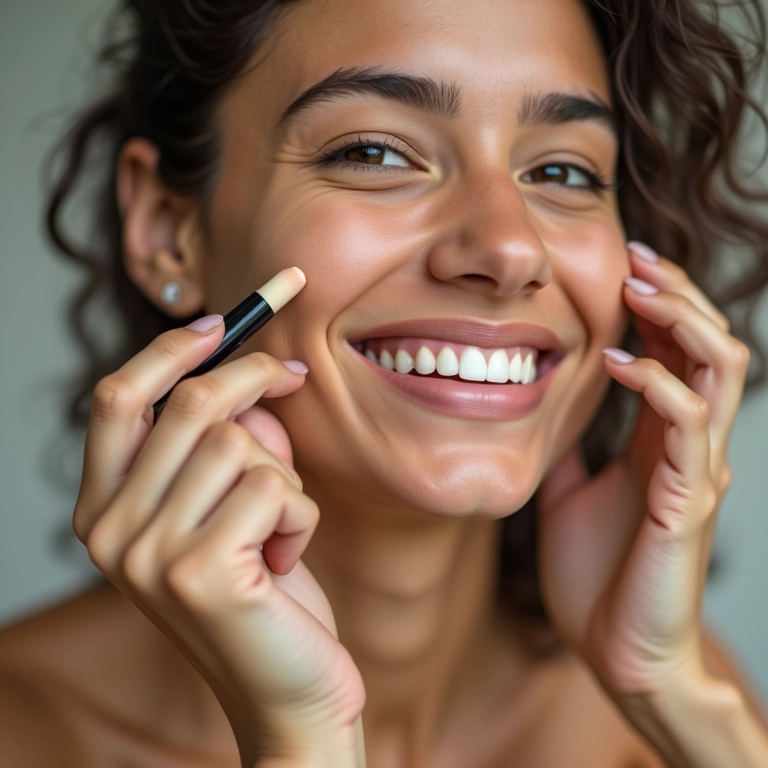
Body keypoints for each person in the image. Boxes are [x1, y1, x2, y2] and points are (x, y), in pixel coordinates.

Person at [2, 0, 768, 765]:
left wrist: (672, 693)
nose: (508, 248)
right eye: (374, 154)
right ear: (170, 232)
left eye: (562, 171)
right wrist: (302, 738)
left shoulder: (674, 718)